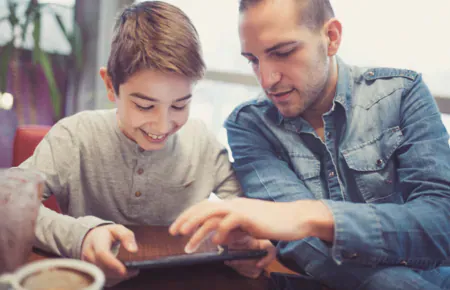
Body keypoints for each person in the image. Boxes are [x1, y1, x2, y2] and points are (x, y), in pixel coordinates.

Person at [170, 0, 450, 289]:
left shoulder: (403, 94)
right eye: (253, 60)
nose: (267, 80)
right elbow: (301, 246)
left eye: (283, 53)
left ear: (331, 38)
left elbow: (442, 223)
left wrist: (311, 215)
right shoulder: (250, 125)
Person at [16, 1, 275, 284]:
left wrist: (247, 246)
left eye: (179, 106)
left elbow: (244, 214)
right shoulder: (74, 136)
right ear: (110, 86)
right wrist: (82, 236)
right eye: (144, 106)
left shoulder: (202, 142)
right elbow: (10, 206)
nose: (162, 126)